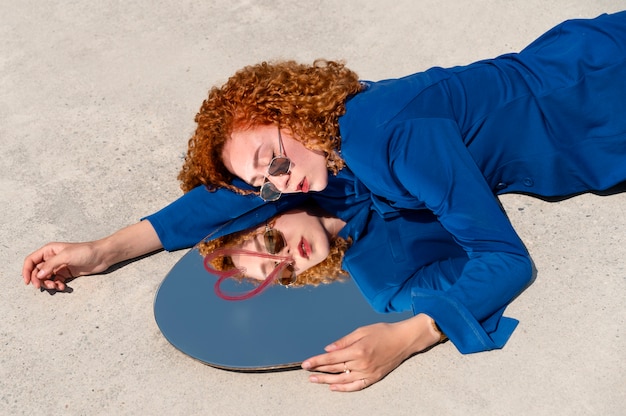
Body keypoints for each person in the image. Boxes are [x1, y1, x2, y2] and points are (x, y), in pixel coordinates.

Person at [22, 11, 626, 391]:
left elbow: (503, 256)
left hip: (597, 95)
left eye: (270, 238)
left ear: (289, 115)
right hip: (581, 100)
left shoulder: (383, 134)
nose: (279, 188)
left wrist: (410, 336)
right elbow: (218, 201)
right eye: (282, 266)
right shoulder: (327, 166)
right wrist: (102, 251)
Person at [199, 201, 475, 390]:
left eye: (272, 241)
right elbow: (480, 275)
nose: (286, 257)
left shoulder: (347, 162)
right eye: (280, 271)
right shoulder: (385, 284)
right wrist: (415, 334)